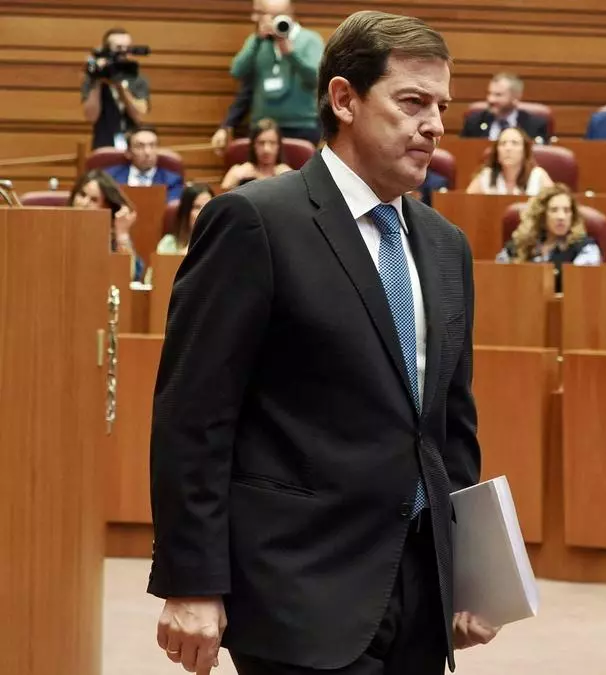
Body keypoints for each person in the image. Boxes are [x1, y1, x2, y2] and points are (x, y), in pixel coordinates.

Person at [148, 12, 498, 675]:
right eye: (412, 102)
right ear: (344, 99)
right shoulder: (255, 222)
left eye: (442, 107)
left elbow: (451, 426)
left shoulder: (445, 245)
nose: (434, 125)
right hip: (298, 587)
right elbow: (194, 416)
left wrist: (469, 569)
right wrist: (191, 580)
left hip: (419, 593)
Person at [222, 0, 325, 146]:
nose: (256, 18)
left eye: (275, 15)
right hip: (261, 127)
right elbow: (237, 71)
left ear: (289, 14)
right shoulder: (256, 42)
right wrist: (257, 40)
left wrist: (292, 55)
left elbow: (317, 79)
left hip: (301, 126)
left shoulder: (310, 40)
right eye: (266, 15)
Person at [496, 183, 602, 272]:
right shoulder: (520, 244)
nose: (561, 217)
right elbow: (498, 276)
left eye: (566, 211)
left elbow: (579, 284)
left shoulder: (585, 248)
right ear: (541, 215)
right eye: (554, 210)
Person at [82, 27, 150, 150]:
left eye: (127, 48)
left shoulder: (137, 78)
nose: (124, 53)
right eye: (118, 48)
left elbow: (140, 117)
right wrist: (98, 79)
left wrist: (120, 87)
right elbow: (90, 117)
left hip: (133, 146)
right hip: (104, 144)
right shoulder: (93, 79)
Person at [69, 169, 143, 280]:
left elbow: (130, 277)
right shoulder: (59, 228)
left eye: (94, 200)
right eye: (82, 195)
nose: (84, 203)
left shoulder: (112, 236)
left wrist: (122, 235)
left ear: (107, 206)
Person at [460, 72, 550, 142]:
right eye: (489, 93)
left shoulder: (535, 125)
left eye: (498, 95)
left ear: (515, 98)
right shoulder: (474, 122)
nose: (491, 99)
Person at [103, 125, 184, 201]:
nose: (147, 152)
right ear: (128, 152)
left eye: (152, 145)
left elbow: (170, 208)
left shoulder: (172, 181)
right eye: (140, 146)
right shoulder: (110, 177)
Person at [465, 126, 552, 196]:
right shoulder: (486, 176)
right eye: (503, 143)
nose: (508, 148)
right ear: (497, 151)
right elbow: (467, 203)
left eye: (515, 143)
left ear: (525, 150)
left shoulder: (538, 176)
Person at [220, 118, 294, 189]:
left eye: (272, 143)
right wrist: (235, 178)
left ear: (279, 146)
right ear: (253, 145)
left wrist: (289, 179)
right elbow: (222, 196)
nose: (266, 149)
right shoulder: (238, 171)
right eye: (261, 143)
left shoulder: (288, 174)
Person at [157, 183, 214, 255]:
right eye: (197, 207)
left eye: (208, 207)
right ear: (186, 212)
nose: (204, 213)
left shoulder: (222, 241)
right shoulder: (168, 244)